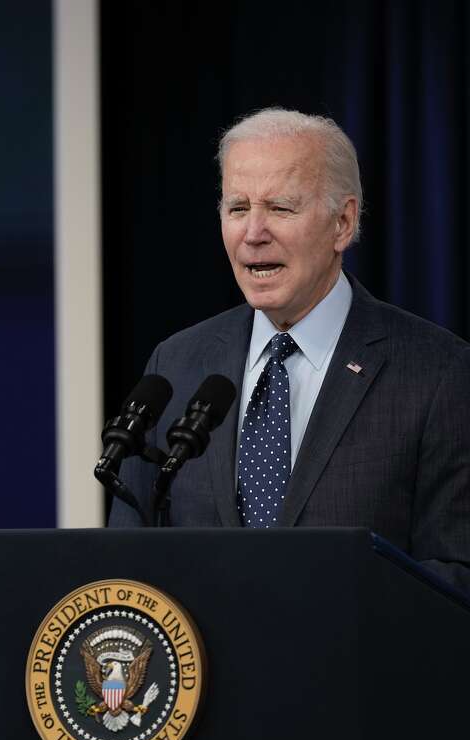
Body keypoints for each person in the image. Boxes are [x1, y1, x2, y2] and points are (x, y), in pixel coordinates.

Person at [107, 107, 470, 595]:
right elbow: (123, 570)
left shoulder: (437, 371)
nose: (253, 232)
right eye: (238, 208)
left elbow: (456, 576)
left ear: (343, 223)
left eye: (280, 208)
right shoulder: (177, 364)